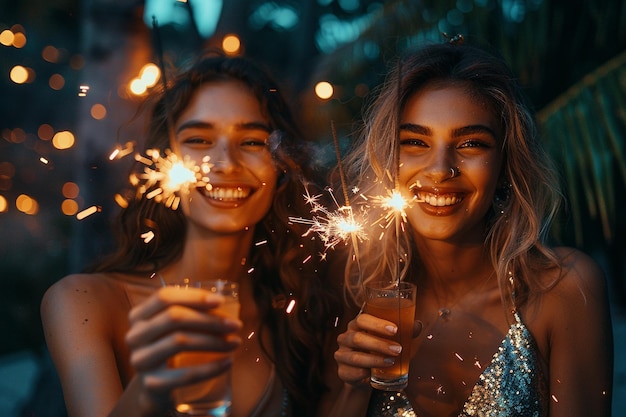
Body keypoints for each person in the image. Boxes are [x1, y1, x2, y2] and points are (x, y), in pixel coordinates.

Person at [41, 52, 343, 417]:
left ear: (281, 165)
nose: (225, 164)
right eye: (199, 140)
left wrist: (359, 385)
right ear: (163, 162)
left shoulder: (303, 317)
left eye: (251, 142)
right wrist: (152, 387)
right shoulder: (84, 302)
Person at [330, 39, 614, 417]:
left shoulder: (562, 289)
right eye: (415, 141)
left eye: (470, 143)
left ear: (505, 167)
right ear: (387, 160)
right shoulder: (359, 290)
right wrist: (353, 389)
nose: (439, 169)